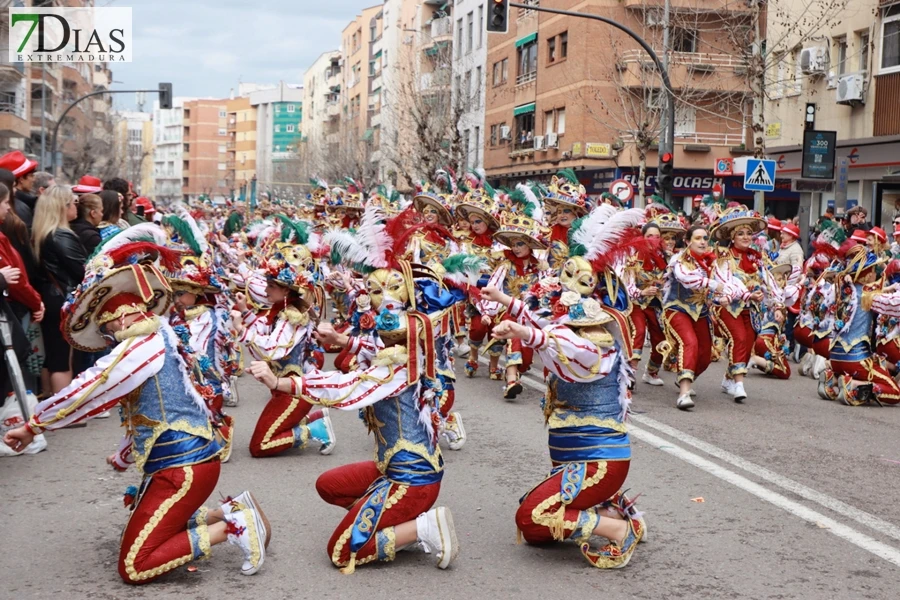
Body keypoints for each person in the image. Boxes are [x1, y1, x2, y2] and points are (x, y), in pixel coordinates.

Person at [2, 246, 271, 583]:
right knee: (139, 536)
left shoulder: (143, 345)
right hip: (182, 464)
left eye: (106, 330)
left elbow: (93, 386)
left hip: (183, 468)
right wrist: (125, 453)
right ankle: (226, 512)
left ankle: (233, 527)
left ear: (121, 318)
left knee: (135, 564)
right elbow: (155, 409)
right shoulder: (163, 336)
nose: (108, 339)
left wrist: (34, 424)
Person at [661, 223, 741, 410]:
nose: (703, 242)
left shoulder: (711, 262)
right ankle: (684, 393)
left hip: (701, 312)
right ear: (687, 241)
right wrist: (712, 284)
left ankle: (685, 376)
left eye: (705, 238)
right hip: (677, 308)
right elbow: (686, 279)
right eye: (697, 238)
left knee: (705, 355)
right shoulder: (679, 260)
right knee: (690, 343)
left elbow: (726, 283)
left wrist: (725, 297)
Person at [32, 185, 86, 393]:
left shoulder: (42, 233)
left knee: (53, 356)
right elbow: (82, 271)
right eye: (74, 203)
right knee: (63, 358)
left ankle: (49, 404)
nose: (76, 207)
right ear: (63, 207)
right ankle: (63, 409)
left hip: (51, 298)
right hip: (64, 300)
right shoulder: (61, 235)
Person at [0, 150, 38, 228]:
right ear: (21, 179)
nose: (34, 179)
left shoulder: (21, 203)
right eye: (31, 176)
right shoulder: (20, 208)